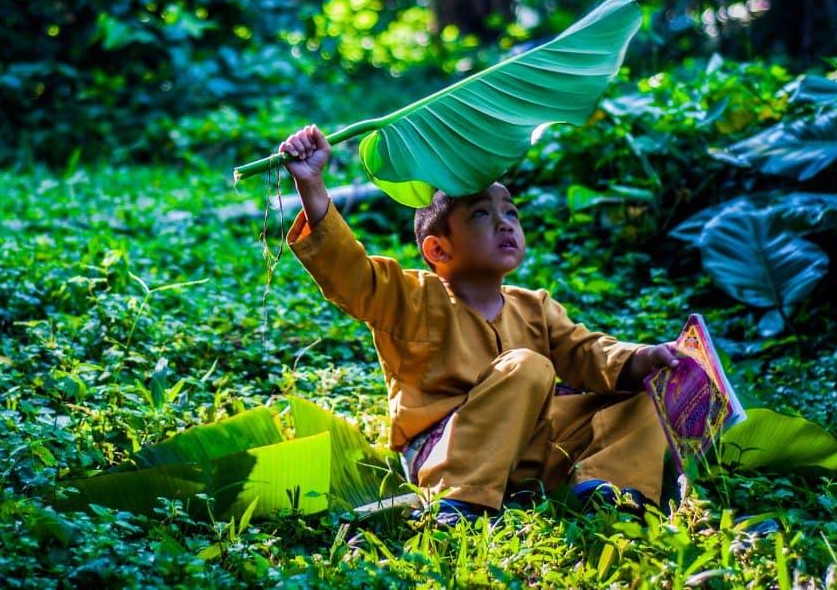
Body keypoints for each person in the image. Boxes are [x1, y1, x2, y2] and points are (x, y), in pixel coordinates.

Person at [278, 124, 679, 525]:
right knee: (528, 365)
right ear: (437, 248)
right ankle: (460, 503)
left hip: (532, 449)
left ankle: (613, 492)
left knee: (647, 394)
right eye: (482, 214)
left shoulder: (535, 307)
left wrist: (644, 359)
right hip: (448, 453)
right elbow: (350, 274)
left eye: (511, 213)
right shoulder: (411, 297)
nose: (504, 223)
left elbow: (588, 352)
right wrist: (311, 183)